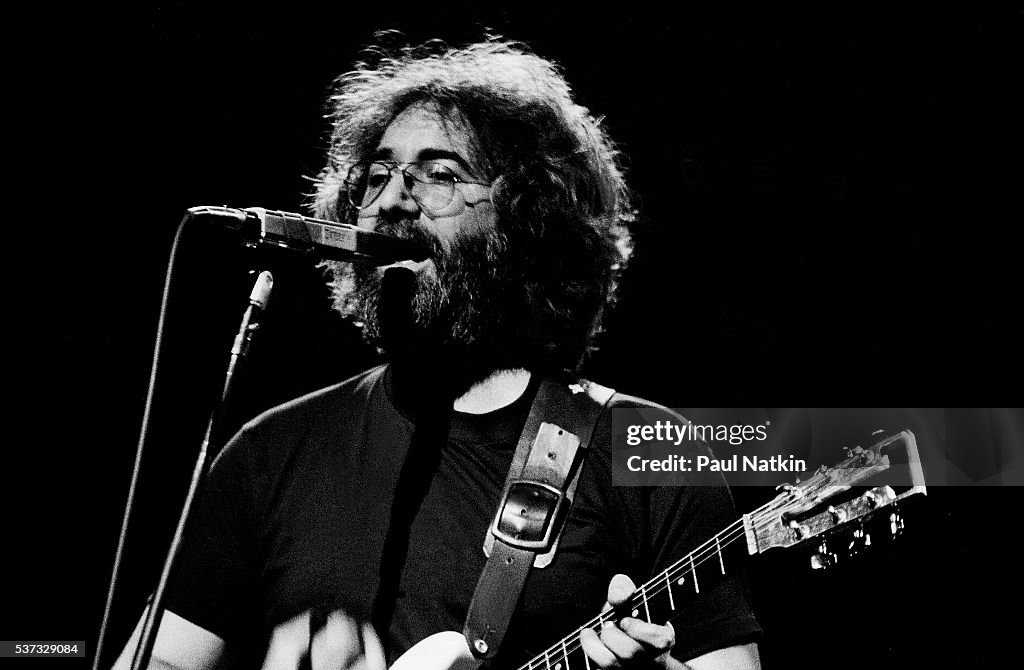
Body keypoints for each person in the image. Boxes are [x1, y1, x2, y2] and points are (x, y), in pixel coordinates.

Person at [113, 37, 761, 670]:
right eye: (376, 177)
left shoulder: (648, 450)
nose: (393, 200)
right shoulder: (269, 453)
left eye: (440, 175)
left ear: (527, 221)